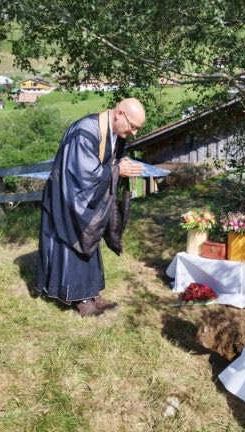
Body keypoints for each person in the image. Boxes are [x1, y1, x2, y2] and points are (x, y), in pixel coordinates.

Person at [35, 98, 146, 317]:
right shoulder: (84, 131)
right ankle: (79, 298)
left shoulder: (114, 132)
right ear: (119, 114)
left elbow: (110, 161)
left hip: (88, 199)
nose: (133, 132)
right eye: (132, 126)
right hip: (68, 198)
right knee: (75, 240)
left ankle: (92, 294)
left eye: (136, 129)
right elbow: (83, 174)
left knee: (91, 235)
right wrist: (116, 171)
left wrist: (120, 169)